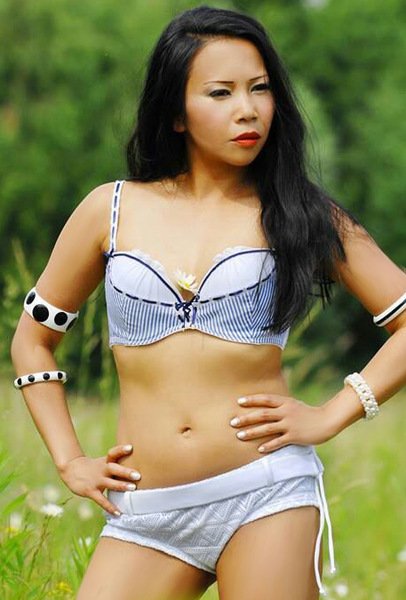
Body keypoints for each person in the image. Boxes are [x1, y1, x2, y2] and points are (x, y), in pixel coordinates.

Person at [11, 5, 406, 600]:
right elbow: (32, 339)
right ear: (176, 113)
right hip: (144, 512)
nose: (248, 109)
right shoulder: (109, 210)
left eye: (260, 88)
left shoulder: (300, 213)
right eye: (221, 93)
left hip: (267, 491)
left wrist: (333, 412)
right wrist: (69, 461)